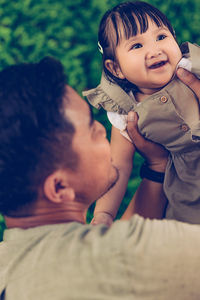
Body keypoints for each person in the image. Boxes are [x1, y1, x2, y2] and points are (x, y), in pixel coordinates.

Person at [0, 56, 200, 299]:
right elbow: (120, 253)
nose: (102, 129)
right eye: (90, 128)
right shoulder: (141, 258)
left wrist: (156, 169)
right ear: (60, 187)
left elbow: (105, 244)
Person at [83, 1, 200, 226]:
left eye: (161, 37)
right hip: (187, 195)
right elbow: (118, 166)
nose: (154, 50)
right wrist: (104, 214)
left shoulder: (192, 69)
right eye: (137, 46)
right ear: (115, 68)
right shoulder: (125, 113)